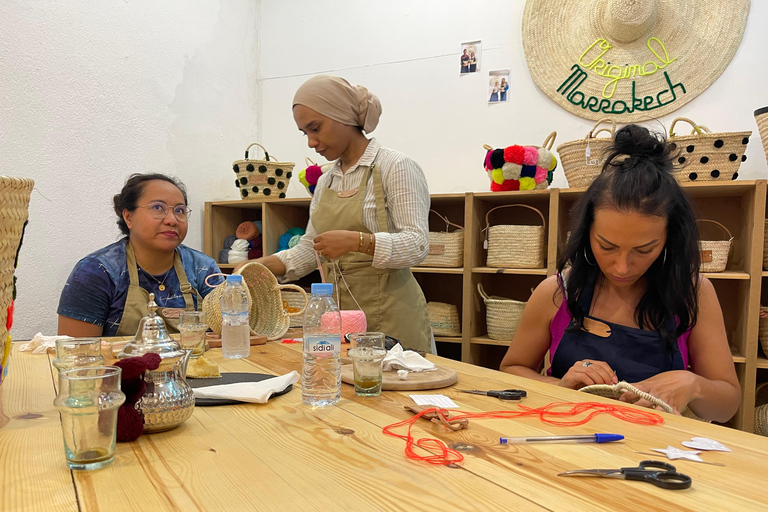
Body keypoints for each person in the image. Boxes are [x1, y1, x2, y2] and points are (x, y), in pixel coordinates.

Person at [499, 125, 740, 422]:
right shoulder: (557, 291)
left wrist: (694, 385)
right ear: (586, 232)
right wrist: (558, 386)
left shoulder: (692, 291)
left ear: (670, 239)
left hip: (660, 454)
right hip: (566, 438)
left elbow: (728, 406)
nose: (622, 267)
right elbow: (511, 371)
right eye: (607, 246)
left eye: (644, 249)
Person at [235, 75, 434, 353]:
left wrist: (359, 242)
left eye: (315, 128)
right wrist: (260, 267)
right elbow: (310, 250)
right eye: (305, 133)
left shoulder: (395, 166)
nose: (311, 142)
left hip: (393, 316)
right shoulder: (327, 181)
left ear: (343, 116)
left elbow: (417, 244)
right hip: (337, 319)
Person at [58, 174, 221, 337]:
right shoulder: (96, 272)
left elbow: (227, 338)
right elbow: (76, 354)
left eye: (180, 210)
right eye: (158, 208)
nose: (172, 220)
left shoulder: (203, 268)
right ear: (128, 217)